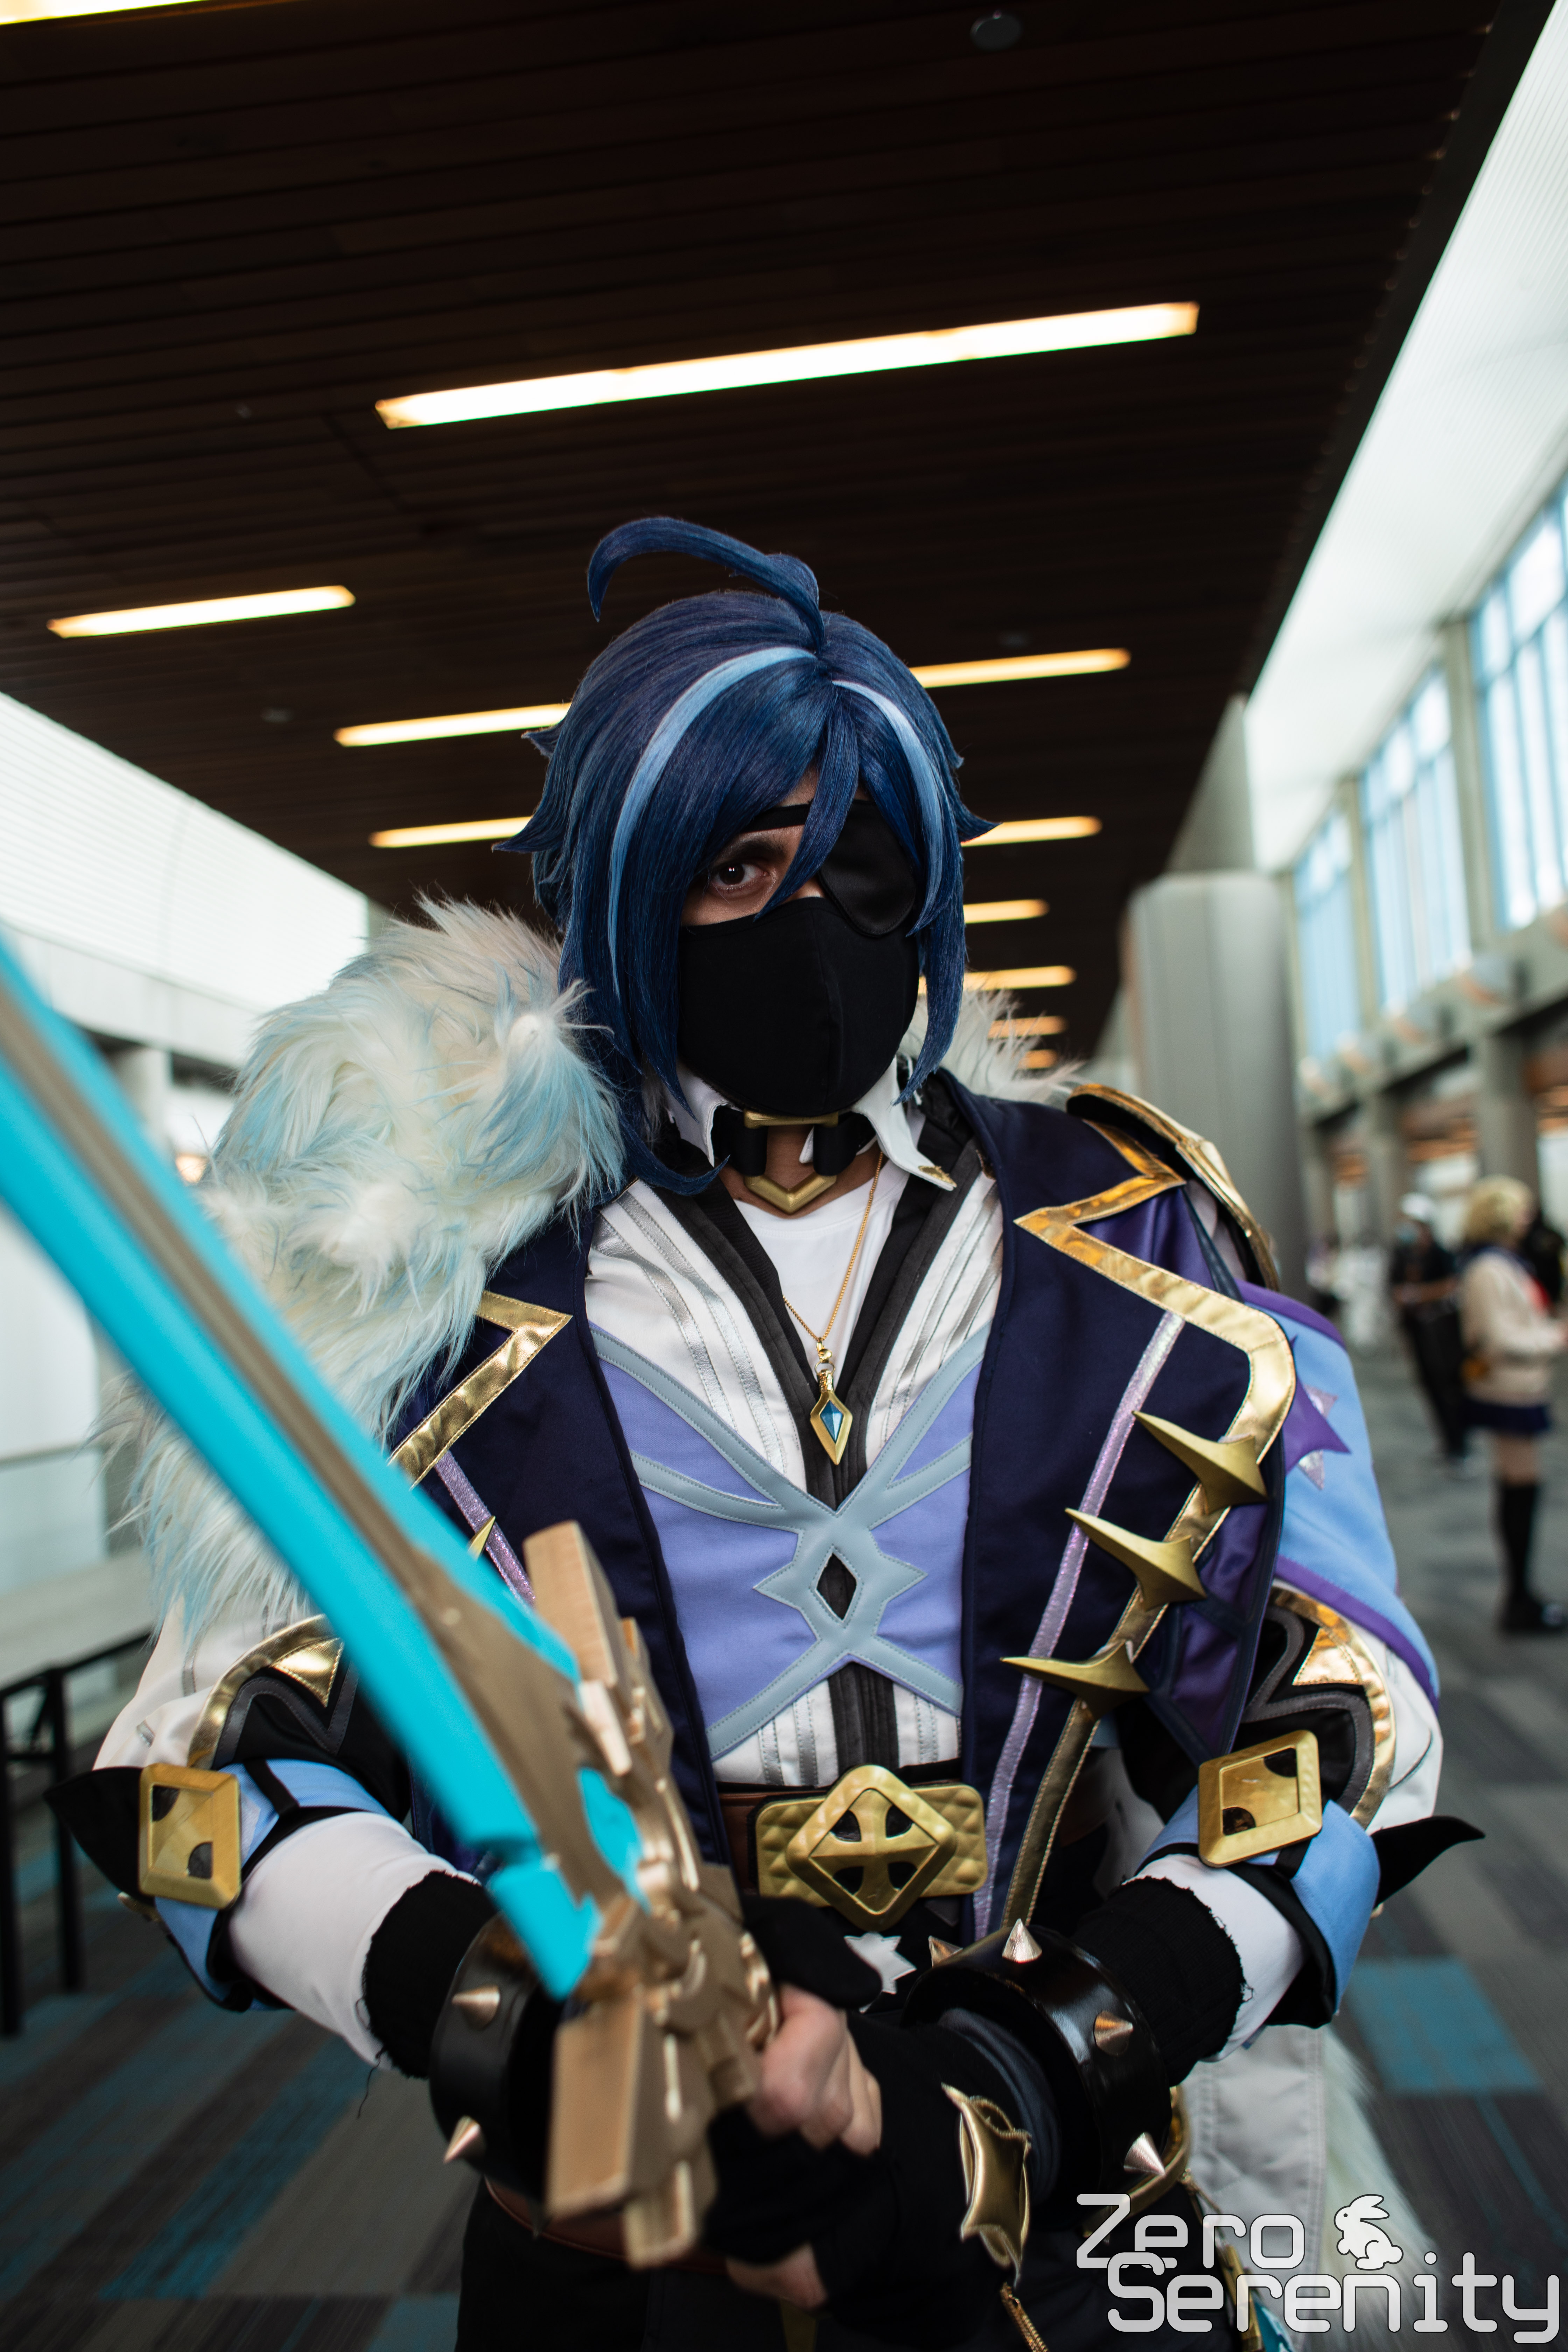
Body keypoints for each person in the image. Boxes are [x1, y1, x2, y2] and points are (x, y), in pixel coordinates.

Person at [64, 521, 1450, 2351]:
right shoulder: (431, 1274)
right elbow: (196, 1774)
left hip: (1066, 2188)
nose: (811, 916)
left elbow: (1355, 1711)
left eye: (862, 858)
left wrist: (1033, 2057)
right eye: (736, 865)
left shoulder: (1134, 1233)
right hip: (620, 2229)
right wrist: (503, 2009)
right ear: (621, 887)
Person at [1460, 1175, 1567, 1633]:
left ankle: (1521, 1595)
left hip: (1518, 1385)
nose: (1528, 1219)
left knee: (1521, 1487)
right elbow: (1499, 1338)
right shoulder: (1489, 1269)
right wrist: (1555, 1338)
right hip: (1508, 1388)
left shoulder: (1502, 1263)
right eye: (1520, 1210)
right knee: (1520, 1489)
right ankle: (1519, 1599)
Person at [1388, 1192, 1470, 1471]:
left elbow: (1452, 1285)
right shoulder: (1402, 1255)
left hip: (1443, 1333)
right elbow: (1394, 1288)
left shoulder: (1441, 1253)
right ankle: (1447, 1442)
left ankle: (1460, 1445)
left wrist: (1421, 1294)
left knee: (1450, 1388)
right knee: (1430, 1386)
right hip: (1417, 1332)